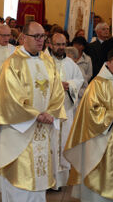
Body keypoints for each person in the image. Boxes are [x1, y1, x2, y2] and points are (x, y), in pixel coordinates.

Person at [0, 21, 66, 202]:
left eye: (43, 36)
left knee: (39, 184)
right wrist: (36, 115)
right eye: (36, 36)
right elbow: (10, 98)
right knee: (19, 183)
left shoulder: (48, 62)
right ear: (23, 37)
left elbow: (58, 92)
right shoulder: (12, 64)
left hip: (43, 130)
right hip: (19, 132)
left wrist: (52, 112)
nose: (41, 41)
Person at [64, 48, 113, 202]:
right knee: (105, 170)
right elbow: (91, 110)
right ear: (108, 63)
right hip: (105, 136)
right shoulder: (98, 83)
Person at [48, 33, 83, 189]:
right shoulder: (43, 61)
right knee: (50, 145)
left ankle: (60, 181)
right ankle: (47, 180)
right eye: (57, 44)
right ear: (50, 44)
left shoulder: (70, 63)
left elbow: (79, 79)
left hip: (66, 110)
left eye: (63, 44)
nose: (61, 47)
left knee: (62, 144)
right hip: (49, 112)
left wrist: (69, 84)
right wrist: (56, 85)